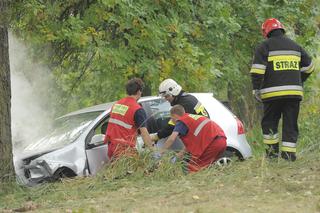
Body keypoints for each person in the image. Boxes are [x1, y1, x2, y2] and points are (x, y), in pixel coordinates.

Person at [250, 18, 315, 161]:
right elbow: (310, 67)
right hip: (294, 94)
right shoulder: (295, 46)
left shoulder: (264, 46)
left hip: (272, 95)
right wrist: (298, 79)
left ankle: (272, 156)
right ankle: (289, 156)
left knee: (270, 123)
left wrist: (256, 89)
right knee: (290, 124)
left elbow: (257, 70)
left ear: (266, 32)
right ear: (282, 29)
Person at [160, 105, 227, 173]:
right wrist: (177, 158)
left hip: (212, 143)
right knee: (207, 168)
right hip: (221, 141)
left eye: (171, 118)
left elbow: (171, 139)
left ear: (174, 116)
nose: (172, 120)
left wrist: (160, 153)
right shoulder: (191, 118)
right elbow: (188, 147)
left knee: (194, 169)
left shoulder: (181, 121)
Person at [104, 78, 153, 160]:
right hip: (125, 150)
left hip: (111, 148)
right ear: (139, 92)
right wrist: (152, 151)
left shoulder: (117, 104)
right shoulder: (137, 109)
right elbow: (144, 133)